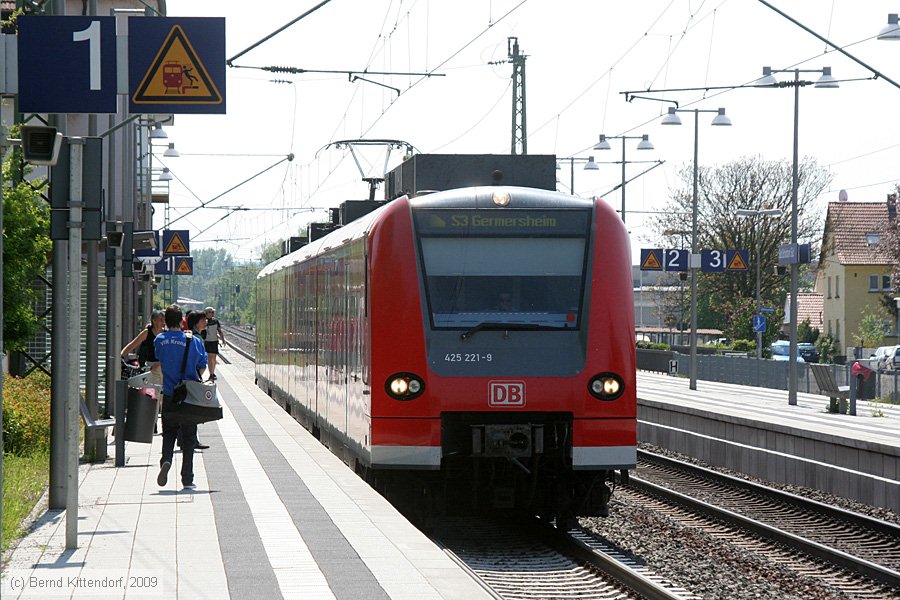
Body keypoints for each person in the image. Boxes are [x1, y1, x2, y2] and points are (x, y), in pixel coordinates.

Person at [154, 304, 207, 490]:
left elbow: (159, 359)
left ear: (166, 321)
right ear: (181, 320)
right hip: (189, 395)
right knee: (189, 437)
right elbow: (202, 365)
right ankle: (187, 479)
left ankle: (166, 460)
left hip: (169, 394)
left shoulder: (160, 340)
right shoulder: (194, 341)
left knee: (169, 432)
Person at [120, 309, 166, 387]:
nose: (163, 322)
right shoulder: (147, 332)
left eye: (164, 320)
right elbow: (132, 344)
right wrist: (121, 356)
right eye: (160, 320)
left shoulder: (165, 334)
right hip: (149, 366)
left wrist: (159, 364)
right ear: (154, 321)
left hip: (161, 366)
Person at [203, 307, 227, 381]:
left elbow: (219, 331)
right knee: (210, 357)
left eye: (213, 312)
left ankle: (212, 372)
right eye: (211, 312)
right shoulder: (203, 321)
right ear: (207, 313)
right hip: (207, 341)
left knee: (213, 358)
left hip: (214, 341)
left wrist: (223, 339)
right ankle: (211, 374)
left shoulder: (216, 321)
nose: (213, 313)